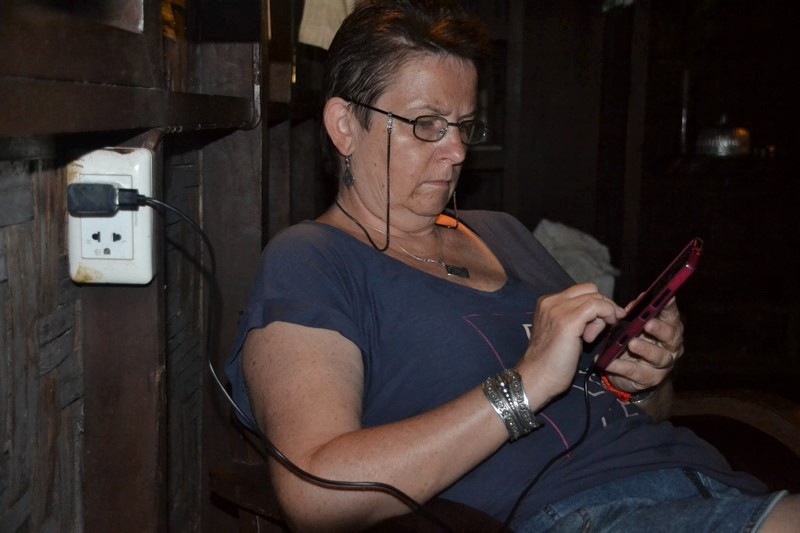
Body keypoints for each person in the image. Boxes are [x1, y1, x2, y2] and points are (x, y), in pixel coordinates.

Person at [225, 0, 799, 530]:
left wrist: (645, 376)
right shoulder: (312, 259)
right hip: (583, 513)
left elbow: (632, 409)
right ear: (345, 126)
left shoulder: (503, 232)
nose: (456, 151)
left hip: (708, 482)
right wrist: (524, 386)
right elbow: (316, 493)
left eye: (464, 126)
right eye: (426, 124)